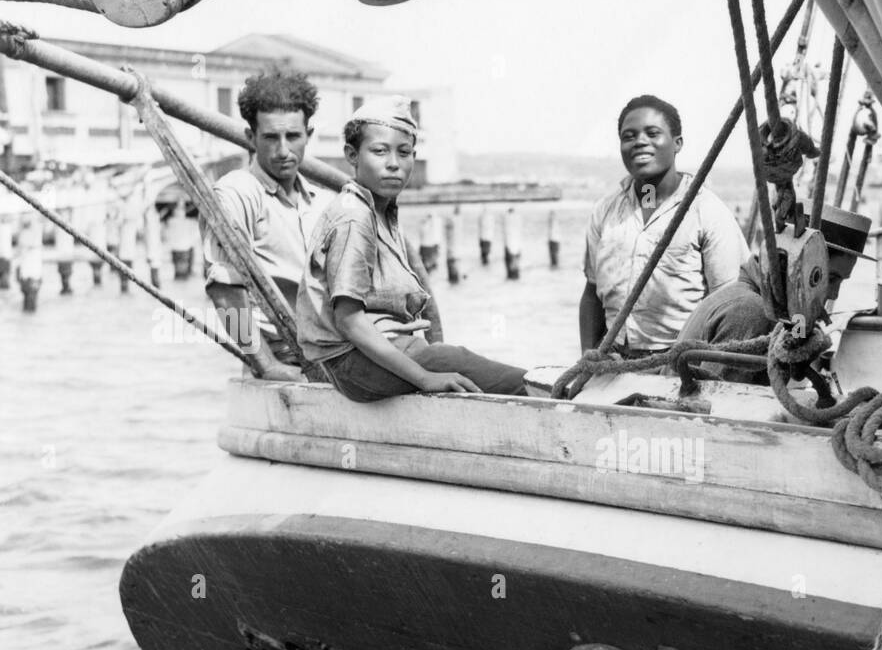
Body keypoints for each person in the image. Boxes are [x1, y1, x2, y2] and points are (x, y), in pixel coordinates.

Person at [295, 96, 528, 401]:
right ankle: (562, 396)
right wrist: (425, 379)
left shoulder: (378, 210)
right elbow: (349, 320)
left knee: (457, 360)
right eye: (379, 151)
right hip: (355, 363)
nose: (393, 163)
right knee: (509, 380)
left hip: (374, 355)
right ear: (352, 155)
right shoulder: (354, 215)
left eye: (404, 153)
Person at [580, 94, 747, 354]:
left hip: (682, 363)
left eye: (652, 133)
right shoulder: (605, 211)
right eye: (629, 136)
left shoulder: (707, 211)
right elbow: (591, 293)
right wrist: (587, 360)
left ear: (677, 143)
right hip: (612, 361)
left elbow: (731, 306)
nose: (640, 142)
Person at [202, 69, 331, 381]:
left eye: (293, 137)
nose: (284, 150)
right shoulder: (238, 192)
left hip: (335, 353)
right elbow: (224, 289)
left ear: (308, 136)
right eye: (271, 137)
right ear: (251, 138)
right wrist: (267, 365)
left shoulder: (323, 202)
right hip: (284, 357)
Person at [676, 204, 873, 381]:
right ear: (794, 264)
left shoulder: (753, 302)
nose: (834, 294)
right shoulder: (751, 312)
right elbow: (718, 409)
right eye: (830, 279)